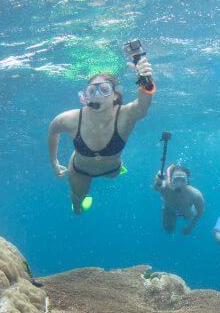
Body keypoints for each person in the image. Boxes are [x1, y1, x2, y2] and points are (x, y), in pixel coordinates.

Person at [46, 57, 155, 214]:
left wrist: (145, 79)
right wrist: (54, 161)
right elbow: (52, 131)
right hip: (80, 170)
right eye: (91, 90)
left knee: (113, 175)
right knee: (77, 199)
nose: (97, 95)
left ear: (116, 95)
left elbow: (144, 105)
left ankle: (116, 168)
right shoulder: (69, 119)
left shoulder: (126, 115)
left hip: (112, 169)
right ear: (84, 97)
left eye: (104, 89)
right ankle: (77, 205)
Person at [153, 164, 204, 234]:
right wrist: (157, 182)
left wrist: (190, 227)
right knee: (168, 228)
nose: (179, 184)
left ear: (187, 181)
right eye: (176, 180)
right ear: (171, 180)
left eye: (183, 180)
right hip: (169, 209)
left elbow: (200, 212)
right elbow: (156, 188)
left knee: (190, 216)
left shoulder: (195, 194)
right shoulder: (165, 186)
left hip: (186, 212)